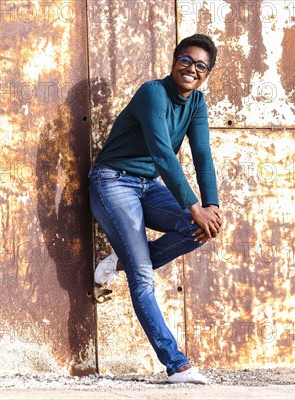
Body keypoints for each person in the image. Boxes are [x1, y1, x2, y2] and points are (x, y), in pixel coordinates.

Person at [88, 34, 222, 384]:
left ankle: (119, 262)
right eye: (186, 61)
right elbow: (163, 153)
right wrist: (193, 205)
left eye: (201, 66)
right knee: (143, 276)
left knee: (199, 230)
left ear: (206, 74)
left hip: (148, 187)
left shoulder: (196, 103)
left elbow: (203, 154)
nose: (192, 69)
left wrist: (212, 206)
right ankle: (176, 364)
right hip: (112, 182)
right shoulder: (153, 93)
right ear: (175, 61)